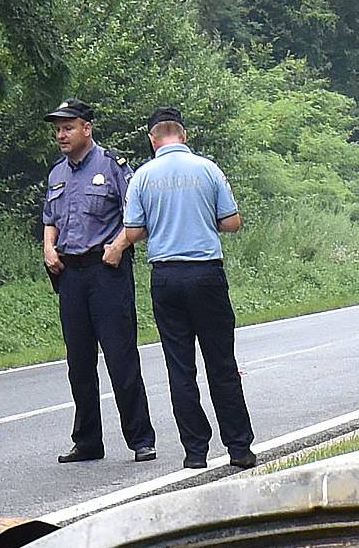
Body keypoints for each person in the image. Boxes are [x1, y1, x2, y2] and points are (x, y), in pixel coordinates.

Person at [109, 109, 256, 470]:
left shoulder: (141, 177)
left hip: (166, 277)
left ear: (153, 139)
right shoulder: (209, 170)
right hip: (206, 274)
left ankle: (195, 452)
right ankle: (239, 448)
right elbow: (232, 222)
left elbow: (134, 230)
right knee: (222, 363)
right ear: (184, 136)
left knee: (180, 366)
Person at [41, 99, 156, 465]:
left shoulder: (114, 167)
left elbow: (138, 214)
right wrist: (48, 248)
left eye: (68, 127)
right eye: (58, 129)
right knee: (79, 362)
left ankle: (140, 438)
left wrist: (120, 245)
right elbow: (50, 217)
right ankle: (88, 441)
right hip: (71, 275)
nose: (61, 134)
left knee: (120, 358)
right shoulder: (57, 174)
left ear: (87, 128)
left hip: (106, 272)